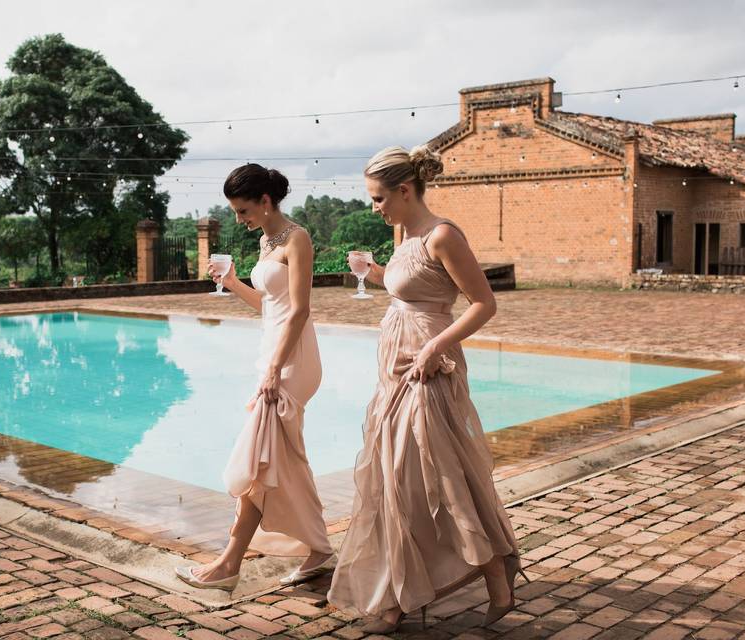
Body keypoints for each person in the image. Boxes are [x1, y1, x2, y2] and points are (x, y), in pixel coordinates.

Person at [328, 146, 525, 632]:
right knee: (399, 480)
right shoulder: (405, 236)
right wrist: (374, 274)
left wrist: (435, 346)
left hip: (429, 369)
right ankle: (425, 588)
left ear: (404, 189)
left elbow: (483, 304)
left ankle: (459, 581)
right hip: (396, 367)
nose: (375, 207)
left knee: (432, 476)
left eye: (378, 198)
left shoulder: (443, 236)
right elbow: (410, 292)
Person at [175, 164, 335, 591]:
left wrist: (273, 370)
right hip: (272, 355)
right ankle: (320, 549)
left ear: (266, 202)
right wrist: (230, 283)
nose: (240, 220)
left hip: (292, 360)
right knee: (284, 462)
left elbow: (299, 311)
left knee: (257, 460)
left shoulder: (297, 238)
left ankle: (229, 563)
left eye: (243, 211)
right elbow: (268, 306)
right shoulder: (268, 240)